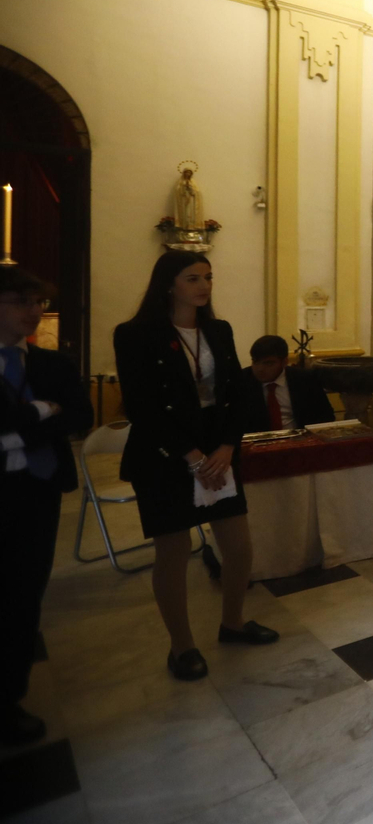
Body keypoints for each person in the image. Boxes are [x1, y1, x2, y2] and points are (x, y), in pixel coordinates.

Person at [113, 251, 278, 682]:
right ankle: (182, 646)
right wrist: (192, 456)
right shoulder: (136, 334)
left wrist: (226, 447)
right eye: (192, 278)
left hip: (217, 452)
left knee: (239, 547)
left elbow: (239, 394)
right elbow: (142, 406)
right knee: (173, 553)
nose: (204, 286)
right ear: (169, 284)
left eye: (208, 277)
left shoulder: (218, 330)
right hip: (165, 456)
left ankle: (233, 623)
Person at [0, 268, 92, 745]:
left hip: (36, 493)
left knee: (23, 596)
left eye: (39, 302)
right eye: (23, 301)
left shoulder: (54, 365)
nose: (35, 311)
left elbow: (80, 415)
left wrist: (13, 431)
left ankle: (10, 698)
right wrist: (40, 413)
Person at [239, 335, 335, 433]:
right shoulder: (242, 381)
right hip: (257, 442)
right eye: (255, 362)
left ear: (284, 362)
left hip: (299, 440)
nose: (260, 369)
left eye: (268, 364)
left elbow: (326, 416)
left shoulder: (304, 380)